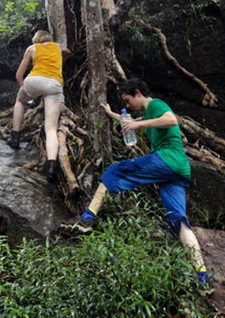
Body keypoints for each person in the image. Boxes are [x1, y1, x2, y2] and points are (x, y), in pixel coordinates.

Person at [76, 77, 208, 284]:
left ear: (138, 93)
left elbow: (172, 120)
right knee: (178, 220)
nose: (128, 106)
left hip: (168, 160)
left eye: (128, 101)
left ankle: (86, 218)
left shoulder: (155, 105)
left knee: (112, 172)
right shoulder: (148, 114)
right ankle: (201, 274)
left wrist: (140, 125)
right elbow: (129, 122)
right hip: (179, 170)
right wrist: (110, 112)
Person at [7, 30, 71, 182]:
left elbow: (18, 75)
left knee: (20, 101)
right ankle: (51, 167)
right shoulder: (58, 47)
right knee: (51, 128)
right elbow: (67, 52)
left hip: (34, 81)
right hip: (54, 85)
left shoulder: (32, 48)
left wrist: (25, 88)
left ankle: (15, 136)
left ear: (36, 40)